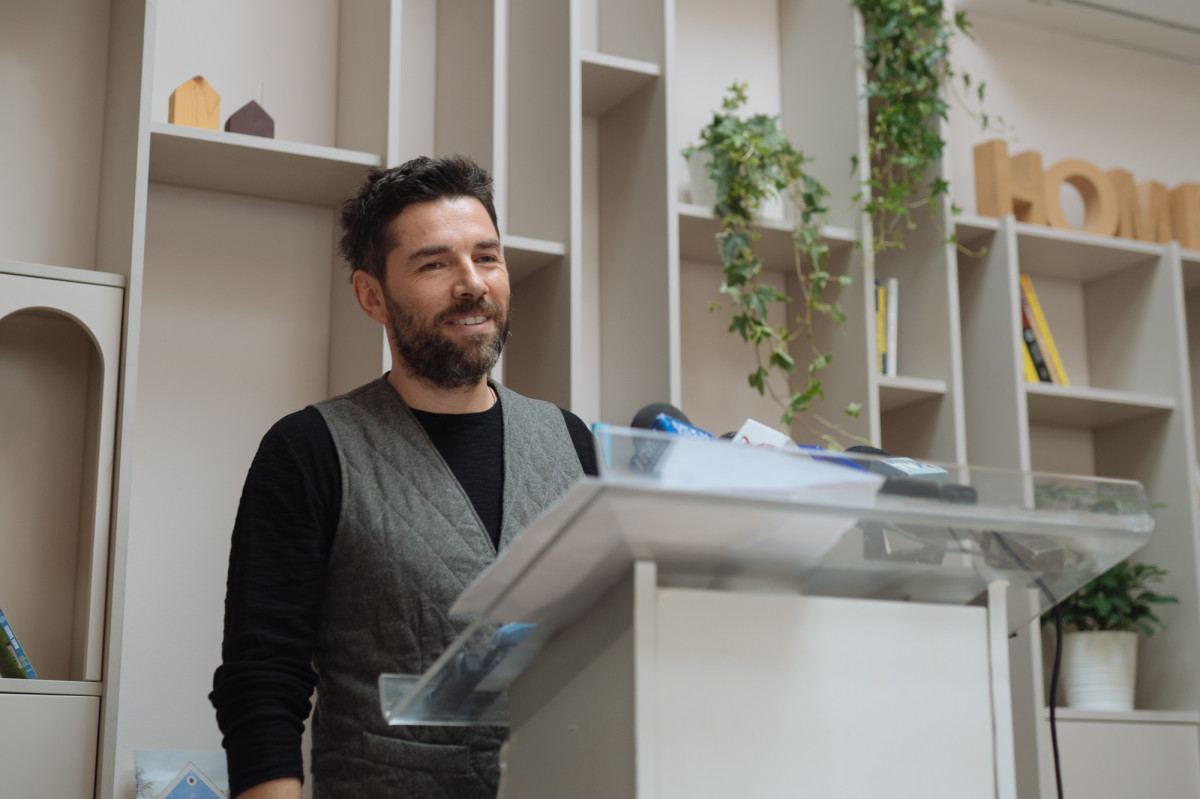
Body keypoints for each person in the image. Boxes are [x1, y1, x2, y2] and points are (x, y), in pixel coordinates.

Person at [209, 154, 598, 798]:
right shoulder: (308, 450)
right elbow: (263, 680)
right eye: (434, 264)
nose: (472, 284)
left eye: (487, 257)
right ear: (372, 296)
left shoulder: (572, 441)